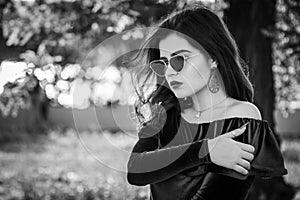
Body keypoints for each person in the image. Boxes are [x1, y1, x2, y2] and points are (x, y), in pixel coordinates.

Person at [126, 5, 287, 200]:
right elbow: (135, 171)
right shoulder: (165, 113)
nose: (170, 72)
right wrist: (206, 150)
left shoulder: (243, 117)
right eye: (164, 63)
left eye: (180, 59)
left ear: (212, 57)